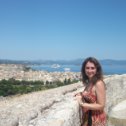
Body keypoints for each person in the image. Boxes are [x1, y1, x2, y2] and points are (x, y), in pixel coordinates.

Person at [75, 57, 106, 126]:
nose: (89, 70)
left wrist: (82, 104)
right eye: (87, 68)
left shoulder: (98, 83)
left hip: (96, 120)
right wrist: (80, 94)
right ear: (84, 69)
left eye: (92, 68)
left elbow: (101, 105)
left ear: (97, 69)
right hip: (89, 118)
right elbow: (90, 95)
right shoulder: (90, 82)